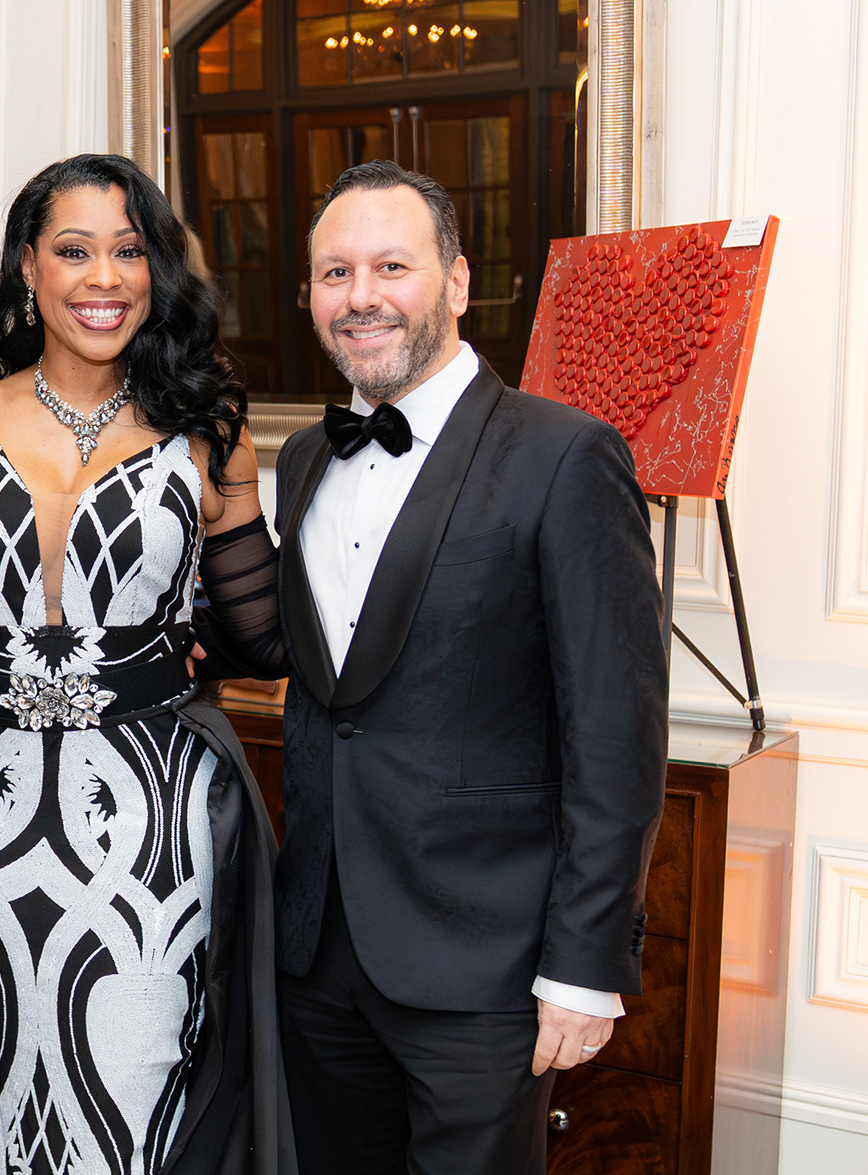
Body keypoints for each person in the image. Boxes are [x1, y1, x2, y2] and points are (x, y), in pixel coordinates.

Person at [0, 153, 294, 1175]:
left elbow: (265, 634)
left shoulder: (209, 434)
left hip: (151, 819)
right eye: (74, 250)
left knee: (139, 1084)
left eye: (129, 251)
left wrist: (165, 651)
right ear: (29, 267)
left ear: (157, 272)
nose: (103, 277)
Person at [271, 160, 667, 1174]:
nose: (360, 295)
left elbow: (615, 735)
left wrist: (583, 966)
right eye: (335, 272)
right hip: (317, 953)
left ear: (456, 282)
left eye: (391, 266)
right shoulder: (305, 460)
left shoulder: (567, 455)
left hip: (486, 964)